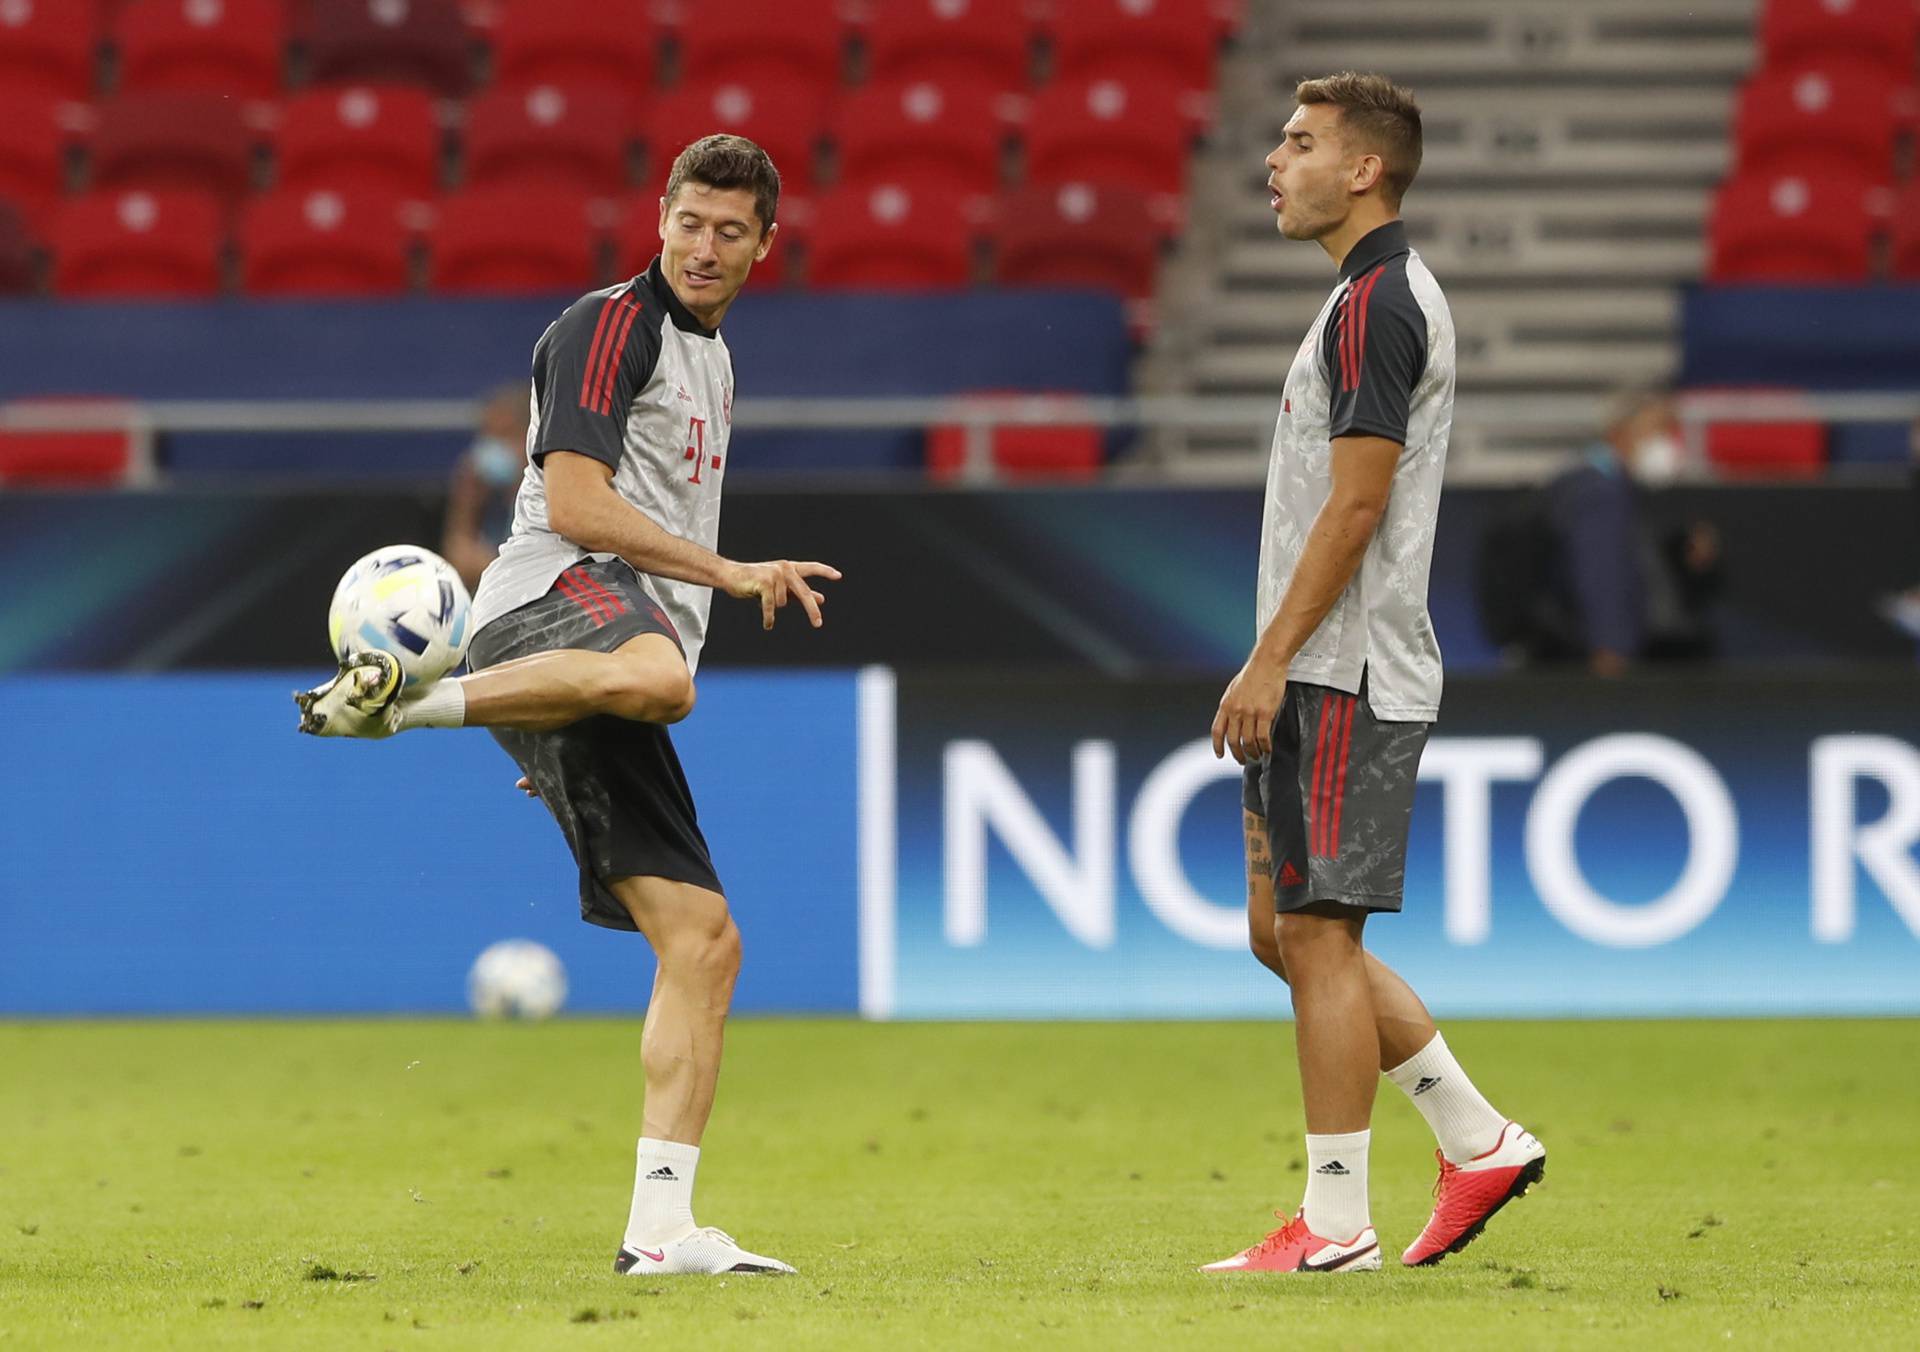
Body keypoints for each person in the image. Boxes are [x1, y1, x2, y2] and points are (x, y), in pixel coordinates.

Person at [294, 135, 839, 1277]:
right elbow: (581, 506)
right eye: (689, 221)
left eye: (730, 230)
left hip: (584, 656)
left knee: (704, 940)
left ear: (765, 245)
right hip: (552, 599)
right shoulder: (607, 326)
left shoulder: (716, 361)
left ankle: (661, 1229)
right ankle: (407, 703)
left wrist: (540, 720)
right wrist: (731, 572)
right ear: (660, 216)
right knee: (664, 679)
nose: (703, 246)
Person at [1202, 73, 1544, 1276]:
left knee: (1317, 928)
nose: (1274, 162)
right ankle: (1475, 1134)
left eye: (1299, 144)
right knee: (1281, 930)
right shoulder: (1359, 299)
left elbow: (1357, 504)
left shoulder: (1379, 304)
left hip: (1342, 669)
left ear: (1365, 170)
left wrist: (1272, 656)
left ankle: (1336, 1220)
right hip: (1328, 664)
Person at [1532, 387, 1722, 675]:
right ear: (1620, 433)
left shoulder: (1615, 487)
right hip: (1599, 662)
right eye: (1658, 430)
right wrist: (1610, 646)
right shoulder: (1597, 492)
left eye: (1672, 432)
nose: (1667, 443)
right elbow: (1599, 572)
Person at [441, 382, 533, 593]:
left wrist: (489, 565)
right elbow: (459, 561)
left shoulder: (547, 502)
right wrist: (465, 503)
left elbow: (528, 578)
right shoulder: (486, 493)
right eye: (488, 435)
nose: (493, 446)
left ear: (531, 438)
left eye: (505, 435)